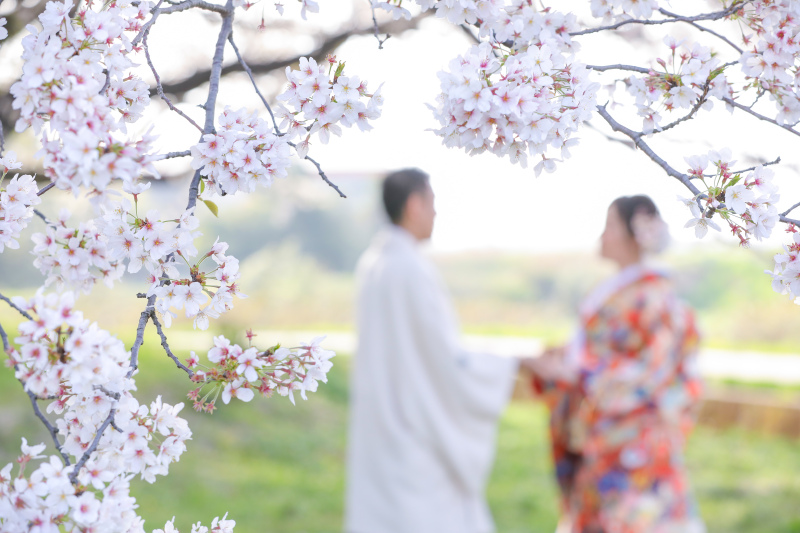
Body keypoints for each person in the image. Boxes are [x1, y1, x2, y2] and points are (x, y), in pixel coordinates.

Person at [344, 168, 520, 533]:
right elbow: (445, 357)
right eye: (432, 203)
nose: (436, 214)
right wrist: (512, 364)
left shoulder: (373, 264)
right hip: (416, 424)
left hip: (382, 420)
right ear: (414, 205)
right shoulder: (411, 269)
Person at [525, 195, 705, 533]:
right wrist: (558, 361)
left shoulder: (653, 295)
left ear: (633, 234)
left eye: (609, 226)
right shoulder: (620, 289)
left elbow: (657, 366)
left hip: (633, 431)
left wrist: (582, 374)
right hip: (604, 425)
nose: (602, 236)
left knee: (637, 517)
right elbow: (594, 349)